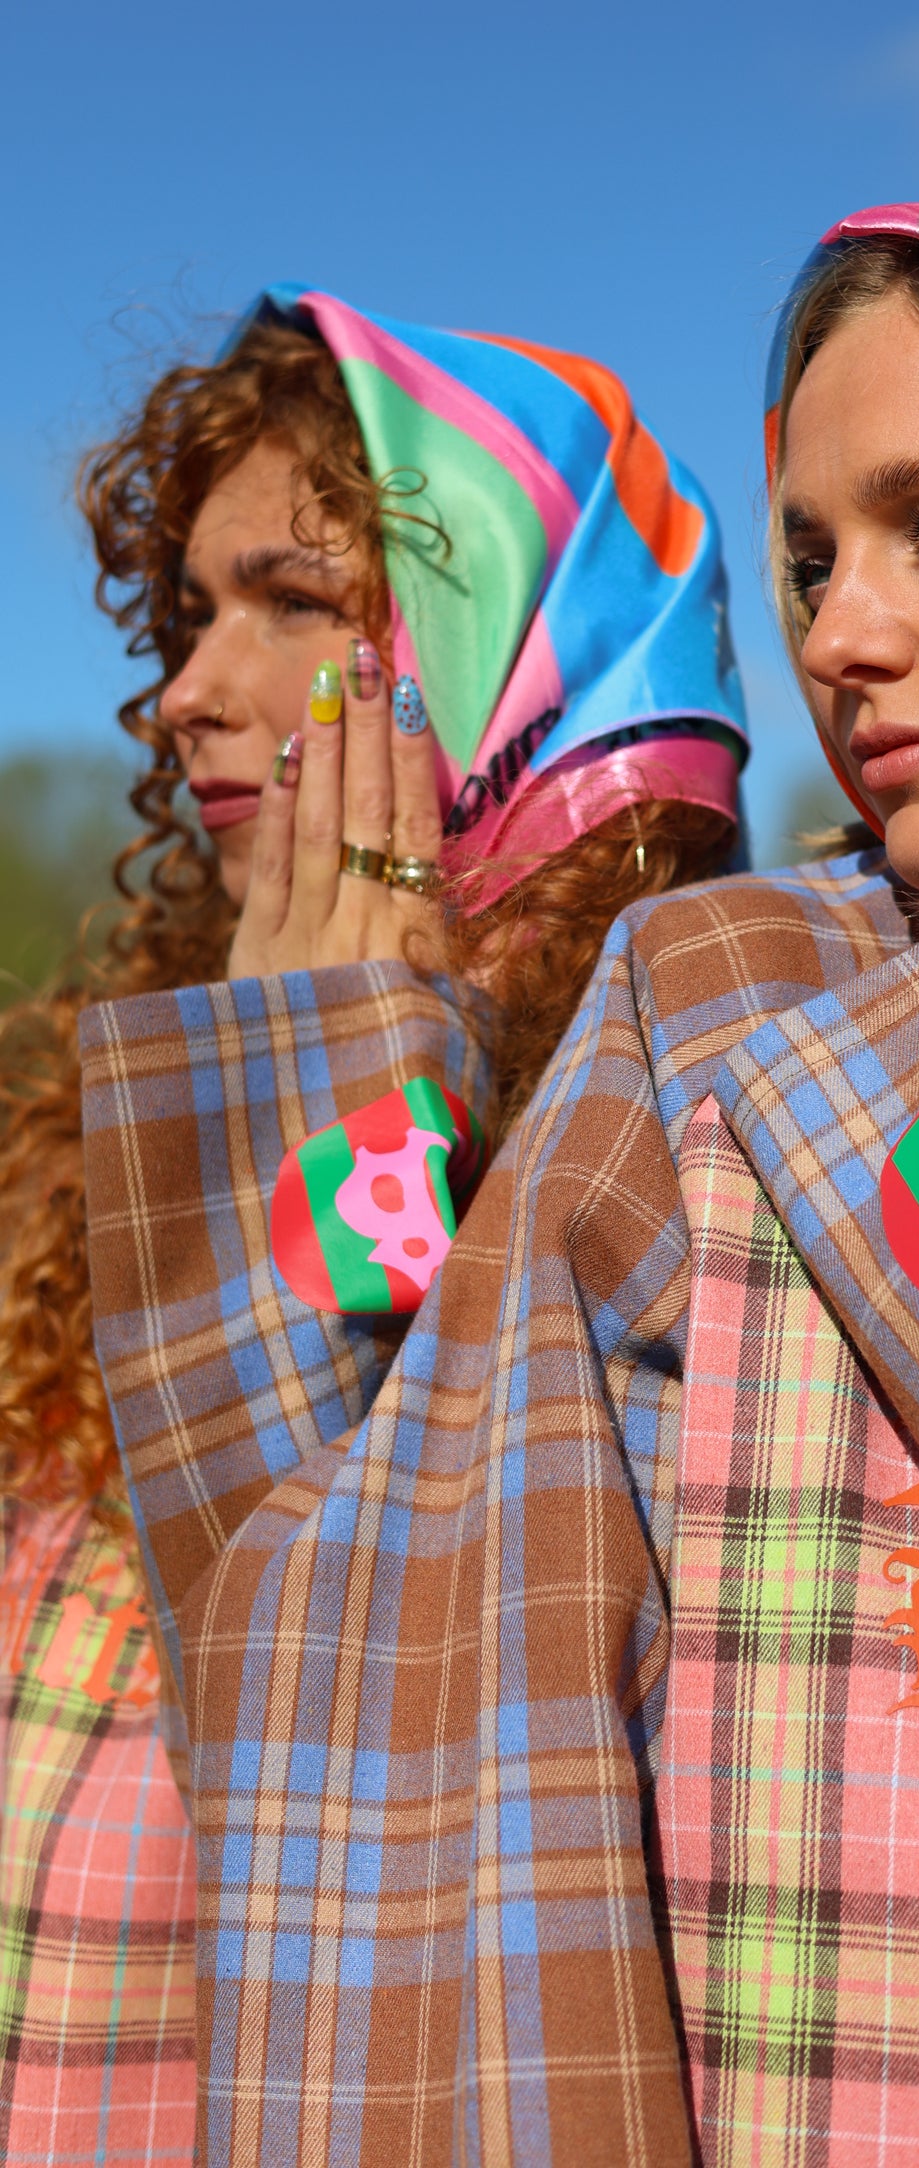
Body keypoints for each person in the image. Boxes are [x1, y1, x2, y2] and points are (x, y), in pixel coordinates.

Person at [80, 207, 919, 2164]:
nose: (835, 631)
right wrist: (315, 1106)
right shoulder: (725, 1005)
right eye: (807, 557)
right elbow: (357, 1641)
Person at [1, 284, 745, 2163]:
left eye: (296, 601)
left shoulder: (698, 1131)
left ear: (505, 640)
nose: (188, 691)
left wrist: (337, 1087)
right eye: (185, 617)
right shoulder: (93, 1111)